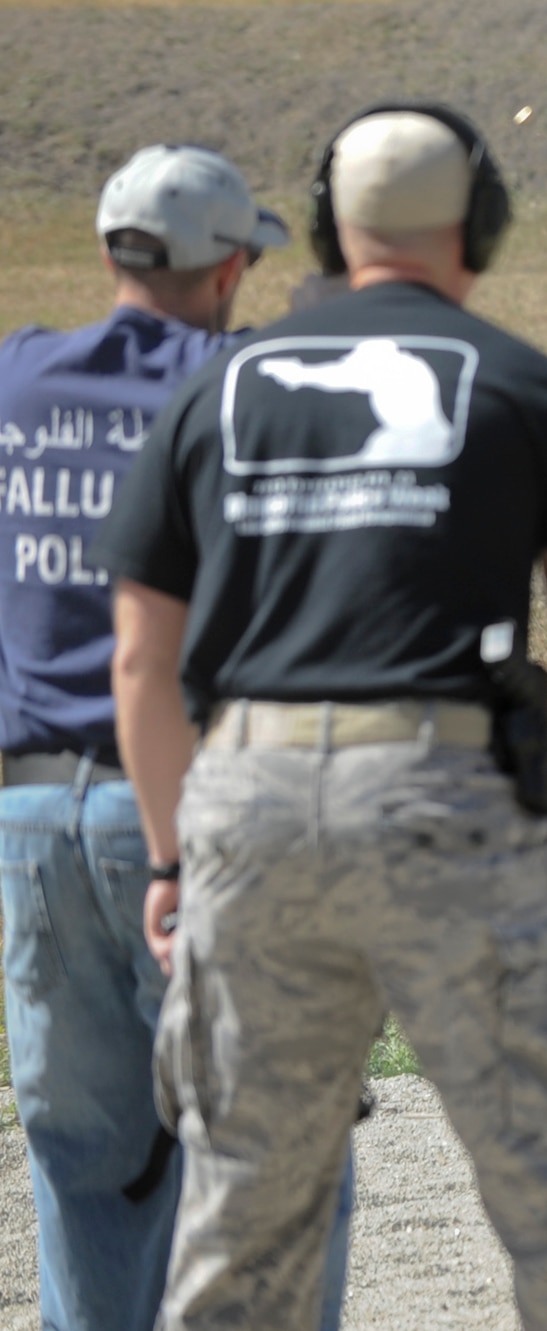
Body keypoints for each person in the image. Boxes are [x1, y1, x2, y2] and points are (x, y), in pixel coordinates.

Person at [91, 103, 547, 1331]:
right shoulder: (538, 391)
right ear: (482, 224)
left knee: (241, 1223)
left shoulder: (215, 392)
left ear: (324, 228)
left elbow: (144, 659)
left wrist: (170, 855)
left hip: (247, 805)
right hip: (443, 800)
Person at [0, 145, 355, 1331]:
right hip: (202, 816)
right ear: (230, 266)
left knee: (86, 1161)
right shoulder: (248, 385)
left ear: (109, 251)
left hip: (36, 815)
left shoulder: (14, 381)